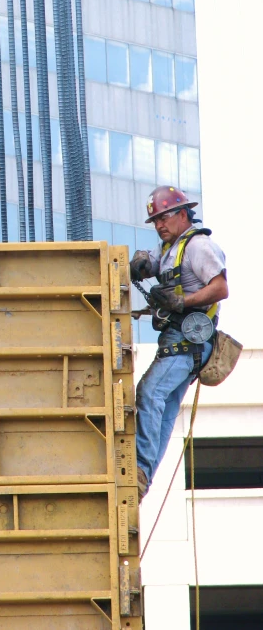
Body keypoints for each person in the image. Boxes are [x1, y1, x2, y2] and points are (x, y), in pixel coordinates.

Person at [130, 186, 228, 500]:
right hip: (178, 339)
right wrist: (141, 264)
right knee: (164, 409)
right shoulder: (170, 248)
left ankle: (139, 469)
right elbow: (153, 265)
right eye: (155, 219)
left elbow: (220, 288)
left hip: (189, 341)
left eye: (164, 216)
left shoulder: (198, 246)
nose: (159, 224)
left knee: (149, 392)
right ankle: (142, 479)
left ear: (182, 214)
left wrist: (182, 301)